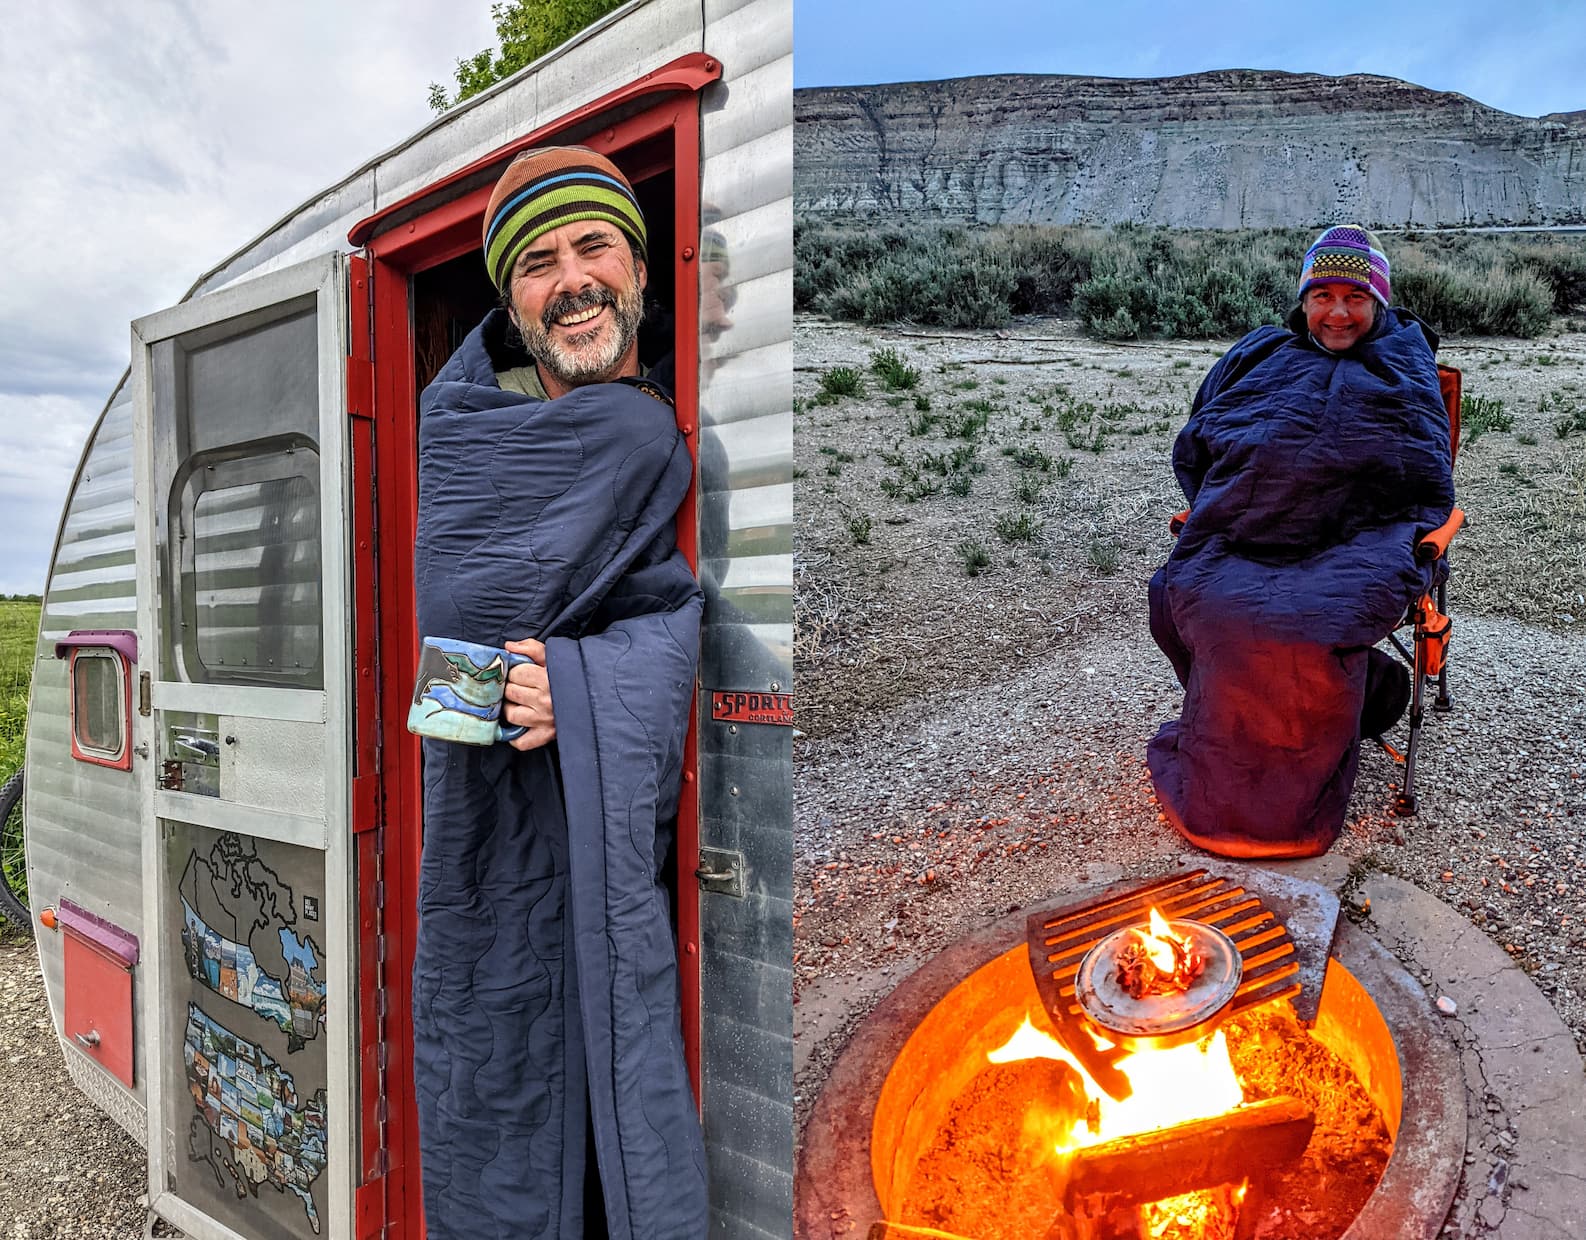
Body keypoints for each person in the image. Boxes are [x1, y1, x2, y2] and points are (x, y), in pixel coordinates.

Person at [410, 147, 707, 1239]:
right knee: (503, 1058)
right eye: (536, 263)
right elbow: (444, 651)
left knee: (606, 1102)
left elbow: (673, 612)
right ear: (509, 298)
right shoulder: (465, 431)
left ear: (636, 266)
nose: (571, 279)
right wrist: (513, 693)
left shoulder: (657, 415)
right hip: (497, 828)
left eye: (593, 247)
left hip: (613, 820)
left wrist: (581, 688)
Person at [1146, 225, 1456, 858]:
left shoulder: (1405, 364)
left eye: (1355, 298)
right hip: (1249, 524)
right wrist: (1231, 502)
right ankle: (1261, 730)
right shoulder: (1262, 354)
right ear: (1304, 299)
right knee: (1189, 593)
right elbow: (1207, 436)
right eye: (1322, 295)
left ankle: (1337, 723)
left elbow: (1421, 472)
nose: (1337, 312)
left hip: (1365, 535)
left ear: (1379, 302)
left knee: (1307, 623)